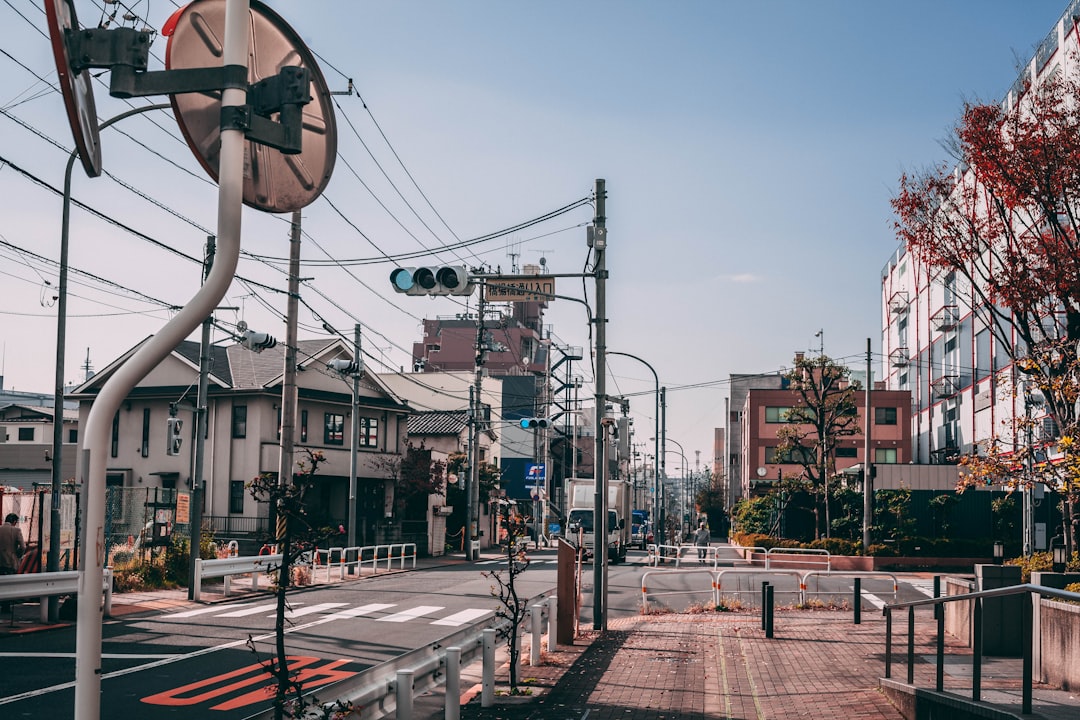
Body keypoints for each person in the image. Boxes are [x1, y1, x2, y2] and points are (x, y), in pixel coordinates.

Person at [0, 513, 25, 612]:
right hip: (9, 561)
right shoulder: (16, 530)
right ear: (14, 522)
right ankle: (6, 607)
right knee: (8, 585)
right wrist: (17, 555)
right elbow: (23, 547)